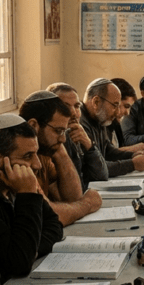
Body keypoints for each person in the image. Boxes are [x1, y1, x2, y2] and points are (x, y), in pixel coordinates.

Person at [0, 114, 64, 282]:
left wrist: (30, 249)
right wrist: (27, 194)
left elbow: (54, 225)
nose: (37, 165)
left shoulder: (13, 179)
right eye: (27, 156)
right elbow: (19, 264)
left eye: (36, 154)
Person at [19, 90, 102, 223]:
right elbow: (50, 215)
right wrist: (88, 204)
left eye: (64, 131)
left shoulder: (45, 154)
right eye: (58, 131)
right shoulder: (19, 158)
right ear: (33, 126)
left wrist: (59, 151)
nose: (63, 139)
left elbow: (73, 198)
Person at [80, 78, 144, 177]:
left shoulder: (99, 117)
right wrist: (132, 164)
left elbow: (108, 152)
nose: (118, 112)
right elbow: (95, 169)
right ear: (96, 102)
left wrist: (132, 155)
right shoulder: (80, 124)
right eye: (114, 105)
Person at [47, 82, 109, 188]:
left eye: (76, 106)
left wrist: (89, 145)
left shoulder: (76, 134)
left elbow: (101, 175)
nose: (74, 113)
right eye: (65, 107)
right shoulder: (51, 141)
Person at [108, 77, 144, 153]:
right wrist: (133, 149)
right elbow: (106, 154)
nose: (127, 113)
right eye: (126, 106)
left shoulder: (116, 125)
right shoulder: (102, 125)